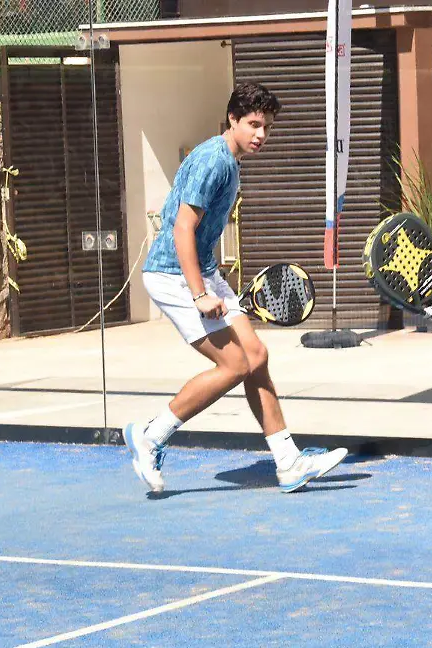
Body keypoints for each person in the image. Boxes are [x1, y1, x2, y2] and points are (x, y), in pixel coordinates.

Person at [124, 82, 348, 494]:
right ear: (233, 119)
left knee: (256, 356)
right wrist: (199, 294)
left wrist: (210, 281)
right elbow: (183, 228)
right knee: (233, 366)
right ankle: (150, 436)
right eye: (254, 124)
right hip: (172, 276)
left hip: (203, 271)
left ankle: (288, 462)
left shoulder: (229, 160)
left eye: (267, 127)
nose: (261, 134)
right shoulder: (215, 161)